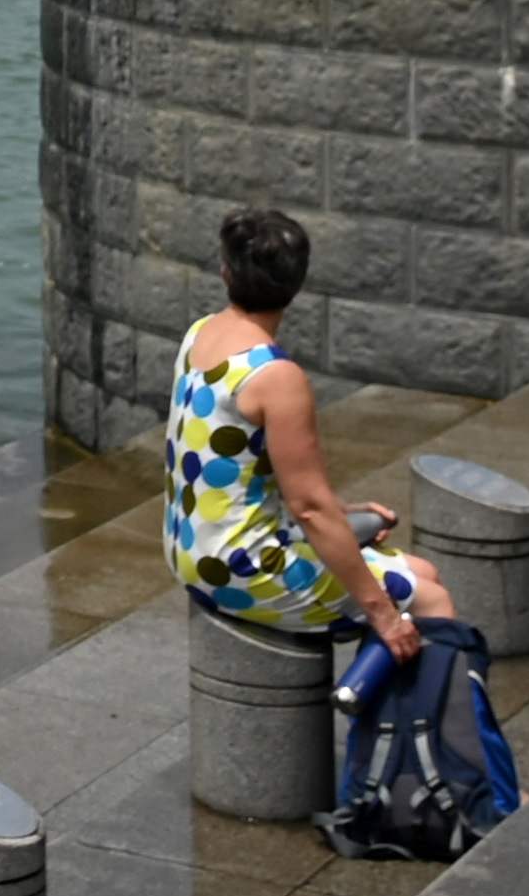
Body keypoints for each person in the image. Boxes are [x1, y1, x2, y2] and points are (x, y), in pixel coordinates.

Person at [158, 207, 433, 664]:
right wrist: (383, 616)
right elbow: (308, 506)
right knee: (428, 597)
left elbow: (242, 477)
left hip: (191, 550)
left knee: (418, 571)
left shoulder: (200, 334)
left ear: (226, 272)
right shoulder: (274, 376)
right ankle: (429, 733)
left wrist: (344, 513)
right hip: (242, 568)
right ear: (296, 284)